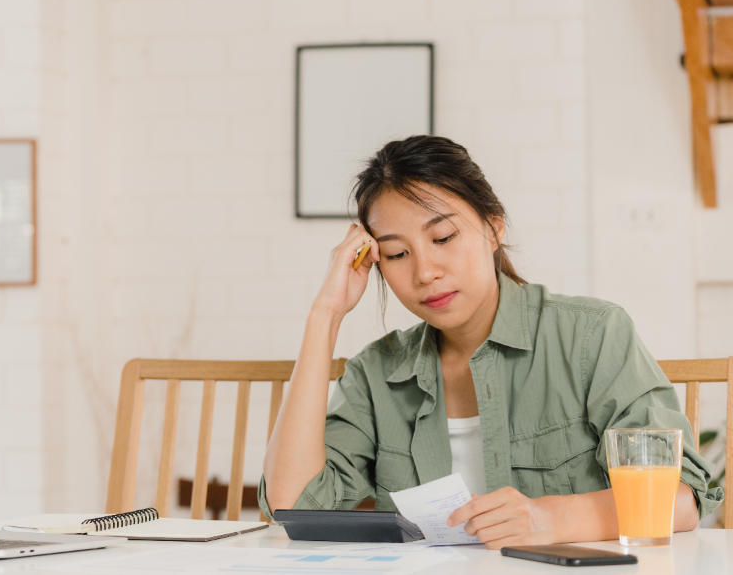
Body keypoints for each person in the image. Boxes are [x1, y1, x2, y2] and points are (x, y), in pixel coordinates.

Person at [259, 136, 722, 549]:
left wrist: (548, 518)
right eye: (397, 254)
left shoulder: (591, 335)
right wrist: (326, 316)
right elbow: (292, 505)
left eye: (443, 236)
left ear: (494, 227)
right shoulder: (376, 374)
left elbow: (682, 499)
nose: (425, 272)